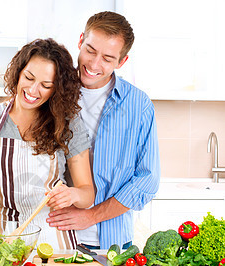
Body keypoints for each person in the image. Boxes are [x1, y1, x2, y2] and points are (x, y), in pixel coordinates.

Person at [0, 38, 95, 249]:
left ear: (56, 90)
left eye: (46, 85)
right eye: (29, 77)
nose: (33, 90)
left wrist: (73, 194)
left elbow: (87, 194)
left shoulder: (68, 123)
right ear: (18, 72)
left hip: (51, 241)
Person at [46, 11, 161, 250]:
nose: (94, 64)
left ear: (122, 62)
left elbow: (147, 181)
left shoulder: (138, 106)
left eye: (108, 58)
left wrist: (91, 216)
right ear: (80, 41)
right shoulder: (49, 90)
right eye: (90, 50)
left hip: (112, 243)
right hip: (53, 238)